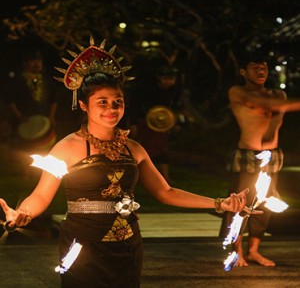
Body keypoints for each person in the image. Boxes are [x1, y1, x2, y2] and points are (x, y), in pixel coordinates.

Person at [0, 38, 252, 288]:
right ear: (83, 105)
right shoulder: (66, 148)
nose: (112, 108)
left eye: (117, 102)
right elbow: (41, 196)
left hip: (127, 246)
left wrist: (221, 204)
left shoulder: (134, 148)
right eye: (102, 102)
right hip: (82, 245)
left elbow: (166, 192)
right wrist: (23, 213)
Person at [219, 51, 300, 267]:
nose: (261, 71)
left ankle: (254, 250)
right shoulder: (237, 92)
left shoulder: (278, 95)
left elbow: (278, 109)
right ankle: (237, 251)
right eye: (256, 68)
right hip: (248, 155)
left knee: (264, 202)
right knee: (240, 203)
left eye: (264, 67)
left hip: (272, 156)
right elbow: (269, 107)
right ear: (244, 72)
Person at [4, 49, 58, 177]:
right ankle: (26, 171)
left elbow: (54, 99)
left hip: (44, 119)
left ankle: (43, 171)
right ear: (25, 64)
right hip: (24, 119)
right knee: (24, 148)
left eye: (39, 61)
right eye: (33, 61)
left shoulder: (47, 80)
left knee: (45, 145)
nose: (36, 64)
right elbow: (10, 100)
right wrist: (18, 116)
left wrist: (51, 116)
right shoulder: (17, 80)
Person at [128, 65, 182, 184]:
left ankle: (165, 177)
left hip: (162, 125)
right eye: (166, 78)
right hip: (144, 123)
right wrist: (134, 123)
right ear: (159, 77)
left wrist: (175, 123)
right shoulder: (146, 89)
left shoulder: (175, 92)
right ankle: (137, 177)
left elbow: (175, 109)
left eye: (171, 79)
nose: (168, 81)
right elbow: (135, 106)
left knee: (162, 149)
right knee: (142, 149)